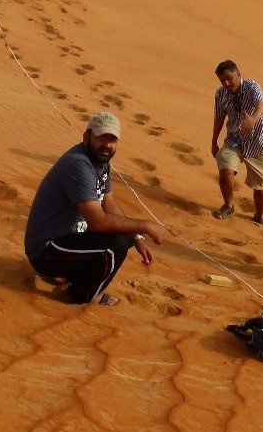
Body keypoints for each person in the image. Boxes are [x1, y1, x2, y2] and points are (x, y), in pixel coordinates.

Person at [24, 112, 163, 305]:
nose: (107, 145)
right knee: (116, 246)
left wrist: (137, 236)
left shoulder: (101, 161)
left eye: (112, 139)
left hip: (67, 240)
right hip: (46, 250)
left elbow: (109, 203)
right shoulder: (78, 164)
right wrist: (145, 225)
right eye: (101, 138)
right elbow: (98, 222)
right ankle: (82, 295)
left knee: (126, 235)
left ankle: (73, 277)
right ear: (86, 136)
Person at [210, 59, 263, 224]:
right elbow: (219, 117)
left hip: (257, 141)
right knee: (225, 167)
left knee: (259, 185)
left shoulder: (252, 86)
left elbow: (260, 104)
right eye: (222, 80)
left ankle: (259, 215)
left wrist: (253, 119)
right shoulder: (220, 94)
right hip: (234, 139)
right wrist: (214, 141)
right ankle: (228, 206)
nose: (226, 83)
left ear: (238, 74)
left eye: (229, 78)